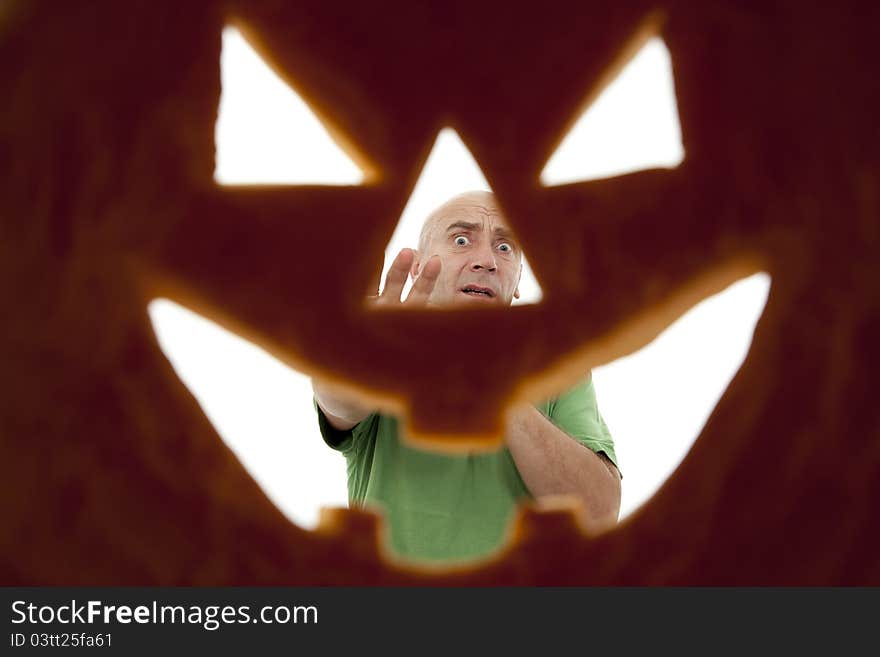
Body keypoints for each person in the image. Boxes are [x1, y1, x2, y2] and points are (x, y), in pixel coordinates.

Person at [312, 191, 621, 563]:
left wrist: (494, 384)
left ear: (518, 279)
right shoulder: (381, 353)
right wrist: (358, 359)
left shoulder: (561, 368)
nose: (487, 261)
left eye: (506, 248)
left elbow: (599, 511)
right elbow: (337, 399)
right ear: (418, 266)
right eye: (461, 240)